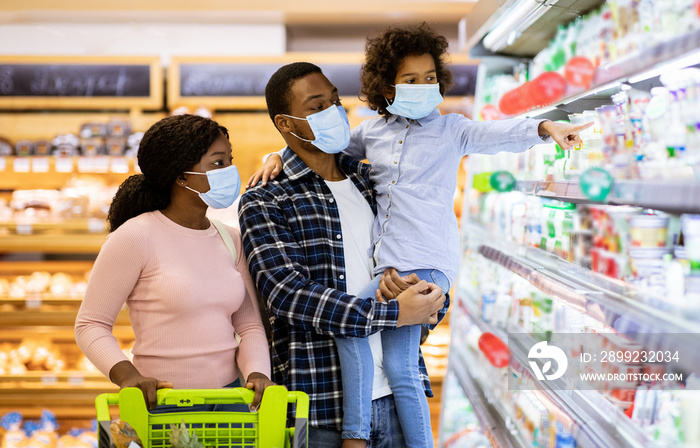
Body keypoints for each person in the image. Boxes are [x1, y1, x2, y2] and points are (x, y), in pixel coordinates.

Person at [246, 23, 592, 448]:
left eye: (430, 78)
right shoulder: (361, 147)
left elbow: (496, 133)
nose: (423, 86)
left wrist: (545, 128)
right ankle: (356, 434)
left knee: (401, 365)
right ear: (386, 88)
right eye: (410, 80)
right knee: (377, 348)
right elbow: (318, 156)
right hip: (334, 382)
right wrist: (273, 155)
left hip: (426, 268)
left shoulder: (441, 136)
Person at [237, 61, 447, 448]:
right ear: (285, 123)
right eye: (316, 107)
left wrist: (430, 303)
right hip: (323, 408)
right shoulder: (266, 198)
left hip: (399, 398)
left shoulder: (370, 178)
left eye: (335, 101)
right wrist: (395, 314)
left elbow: (416, 247)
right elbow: (288, 295)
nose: (333, 113)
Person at [75, 114, 274, 411]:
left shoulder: (230, 239)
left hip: (231, 400)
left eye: (229, 161)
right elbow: (91, 324)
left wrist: (258, 373)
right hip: (163, 403)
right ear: (180, 176)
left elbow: (249, 326)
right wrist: (127, 375)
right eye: (218, 163)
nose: (229, 171)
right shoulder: (135, 236)